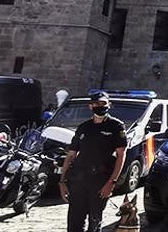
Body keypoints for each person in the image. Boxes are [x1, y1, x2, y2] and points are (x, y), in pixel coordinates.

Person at [59, 91, 127, 232]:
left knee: (94, 222)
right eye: (95, 103)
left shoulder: (116, 126)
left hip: (100, 181)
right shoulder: (84, 127)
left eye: (103, 103)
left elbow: (121, 155)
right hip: (78, 180)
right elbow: (71, 155)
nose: (99, 106)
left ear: (109, 105)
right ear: (90, 106)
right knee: (74, 222)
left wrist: (111, 183)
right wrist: (62, 181)